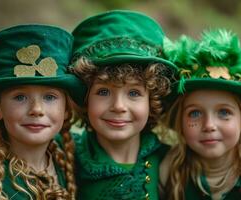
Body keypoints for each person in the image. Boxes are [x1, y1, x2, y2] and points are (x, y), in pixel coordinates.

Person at [0, 24, 86, 200]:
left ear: (66, 108)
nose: (36, 110)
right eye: (20, 97)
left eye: (49, 97)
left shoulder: (65, 161)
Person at [159, 29, 241, 200]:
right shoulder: (167, 170)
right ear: (179, 119)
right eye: (195, 113)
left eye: (224, 112)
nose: (209, 125)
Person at [69, 10, 178, 200]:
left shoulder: (169, 160)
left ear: (152, 101)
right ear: (85, 99)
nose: (119, 106)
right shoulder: (68, 155)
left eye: (134, 93)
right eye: (103, 92)